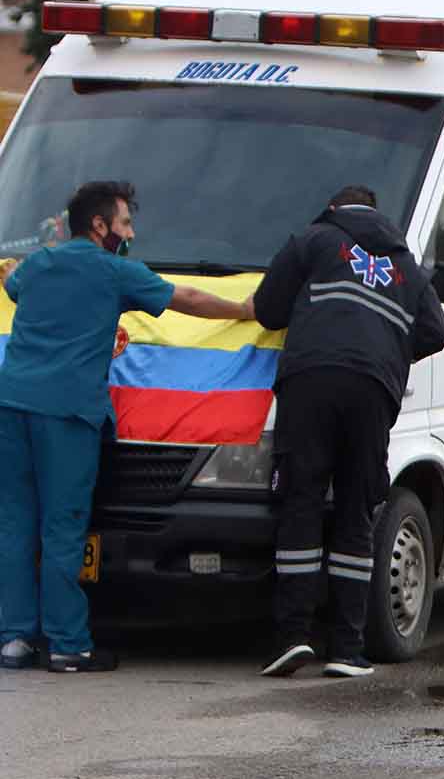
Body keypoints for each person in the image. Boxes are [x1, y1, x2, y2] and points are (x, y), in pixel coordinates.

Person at [0, 181, 255, 673]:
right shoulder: (113, 271)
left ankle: (13, 639)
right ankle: (68, 644)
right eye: (125, 223)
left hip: (10, 404)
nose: (131, 232)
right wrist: (243, 310)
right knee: (62, 525)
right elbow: (187, 298)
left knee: (14, 523)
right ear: (100, 226)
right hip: (66, 410)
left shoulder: (38, 263)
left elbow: (13, 282)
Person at [249, 185, 444, 679]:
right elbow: (437, 332)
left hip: (311, 378)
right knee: (357, 509)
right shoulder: (407, 269)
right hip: (372, 389)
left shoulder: (315, 240)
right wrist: (388, 347)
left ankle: (292, 637)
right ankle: (346, 647)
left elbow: (269, 309)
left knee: (302, 499)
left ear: (335, 208)